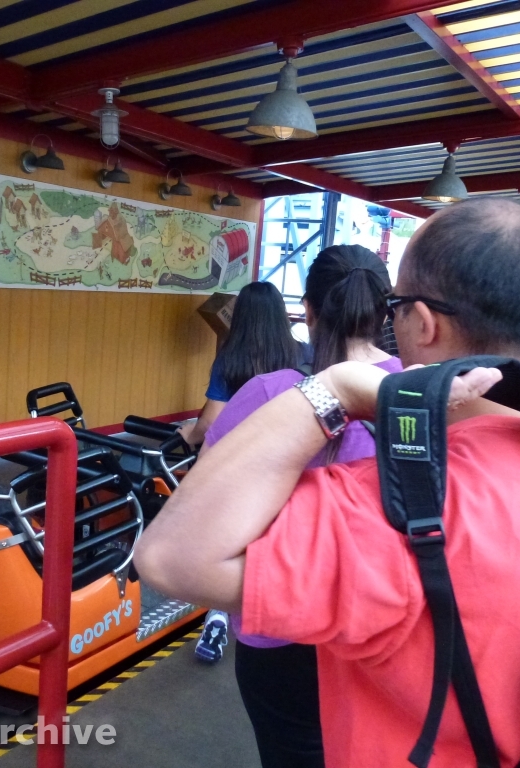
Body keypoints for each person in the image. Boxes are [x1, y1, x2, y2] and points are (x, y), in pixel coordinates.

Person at [135, 198, 520, 768]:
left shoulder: (389, 509)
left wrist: (334, 390)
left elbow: (168, 559)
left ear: (422, 323)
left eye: (397, 306)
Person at [196, 244, 399, 768]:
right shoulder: (422, 395)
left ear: (308, 310)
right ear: (385, 313)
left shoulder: (270, 393)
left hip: (280, 624)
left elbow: (204, 504)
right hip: (385, 624)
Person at [177, 281, 302, 448]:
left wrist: (191, 435)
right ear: (281, 314)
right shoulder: (302, 354)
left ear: (240, 316)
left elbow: (210, 422)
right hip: (287, 445)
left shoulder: (230, 359)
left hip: (241, 448)